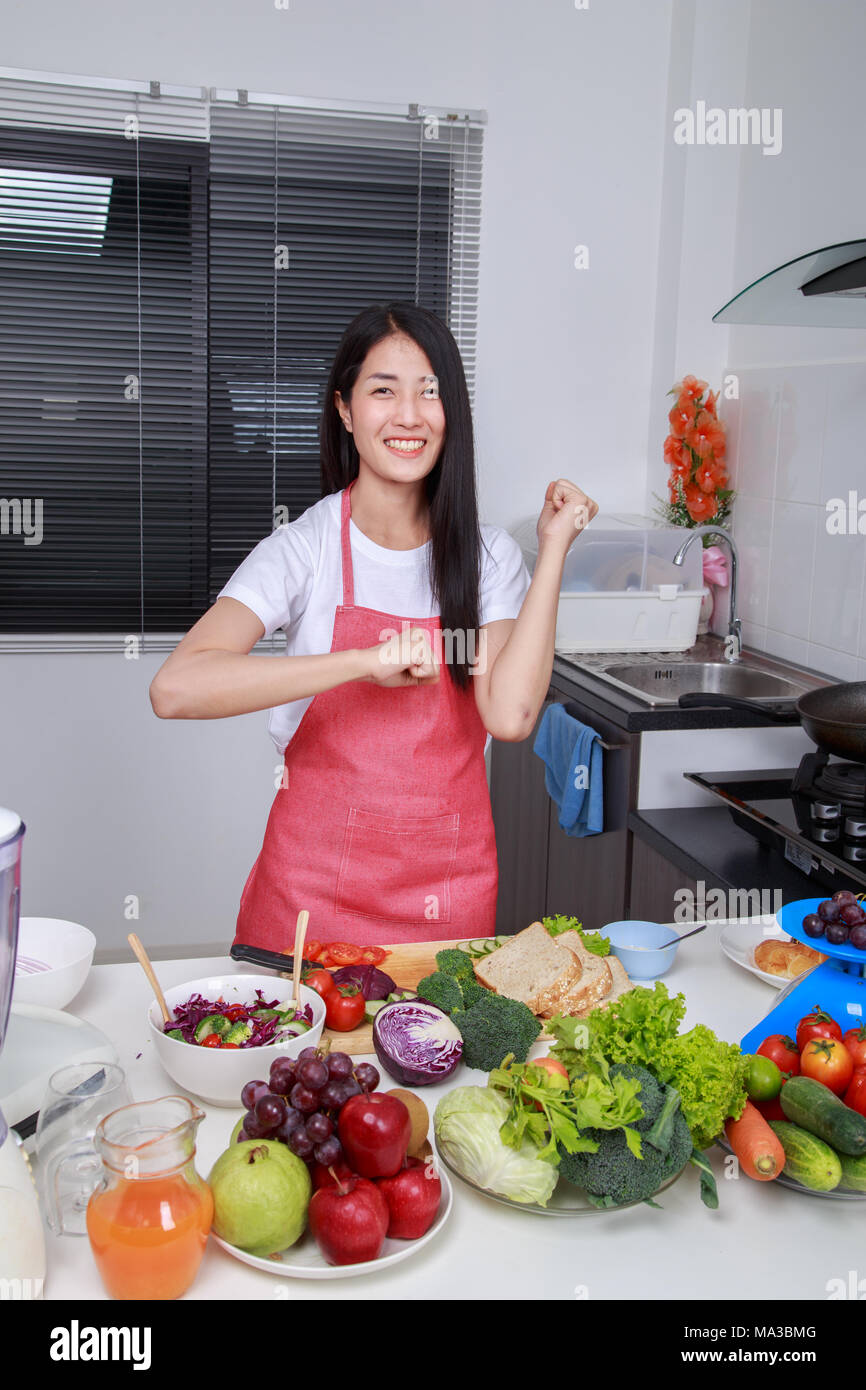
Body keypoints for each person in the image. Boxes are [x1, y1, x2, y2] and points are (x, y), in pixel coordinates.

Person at [149, 302, 597, 954]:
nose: (409, 414)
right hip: (307, 908)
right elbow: (177, 688)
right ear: (346, 409)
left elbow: (511, 714)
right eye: (384, 390)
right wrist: (361, 662)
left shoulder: (489, 557)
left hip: (445, 906)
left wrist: (553, 547)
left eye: (430, 391)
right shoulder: (305, 548)